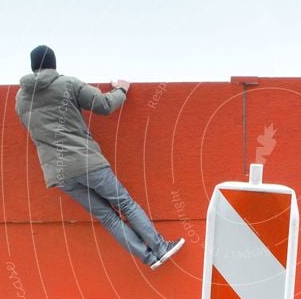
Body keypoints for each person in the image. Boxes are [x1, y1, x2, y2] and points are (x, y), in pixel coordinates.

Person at [15, 45, 184, 269]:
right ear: (54, 64)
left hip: (59, 173)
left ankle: (149, 258)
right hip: (86, 161)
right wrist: (121, 90)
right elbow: (103, 105)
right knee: (125, 204)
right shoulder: (67, 84)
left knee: (107, 217)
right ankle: (160, 248)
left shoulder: (21, 98)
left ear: (32, 66)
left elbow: (34, 132)